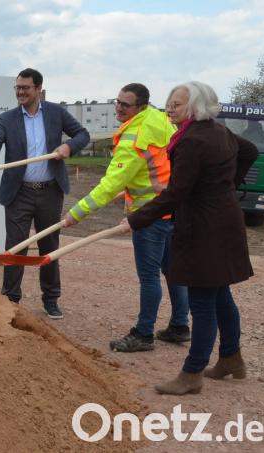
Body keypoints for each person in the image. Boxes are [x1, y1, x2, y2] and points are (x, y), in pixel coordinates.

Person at [121, 81, 258, 395]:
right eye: (170, 101)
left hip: (205, 228)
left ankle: (192, 373)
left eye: (178, 103)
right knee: (220, 294)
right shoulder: (217, 131)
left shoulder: (193, 140)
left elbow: (175, 194)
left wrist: (136, 220)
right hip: (224, 219)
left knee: (203, 303)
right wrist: (225, 187)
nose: (170, 107)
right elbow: (248, 151)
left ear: (195, 107)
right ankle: (231, 359)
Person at [62, 83, 189, 352]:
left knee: (149, 276)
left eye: (125, 105)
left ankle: (143, 334)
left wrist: (76, 214)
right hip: (171, 207)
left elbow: (109, 185)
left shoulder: (135, 136)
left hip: (150, 216)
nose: (118, 108)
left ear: (140, 106)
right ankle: (179, 326)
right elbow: (156, 165)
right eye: (117, 102)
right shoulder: (157, 117)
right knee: (172, 270)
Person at [0, 68, 89, 319]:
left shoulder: (56, 113)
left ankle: (51, 299)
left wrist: (68, 146)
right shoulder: (7, 119)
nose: (20, 92)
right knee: (16, 247)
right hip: (19, 193)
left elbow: (83, 134)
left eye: (25, 88)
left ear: (38, 89)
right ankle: (10, 299)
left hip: (50, 192)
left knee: (49, 246)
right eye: (17, 88)